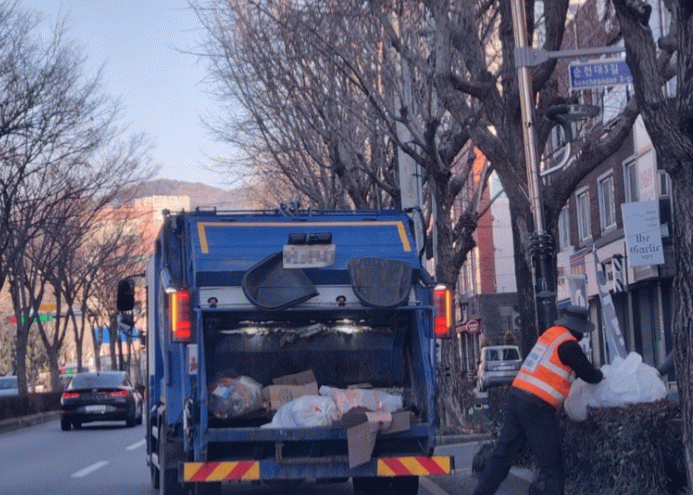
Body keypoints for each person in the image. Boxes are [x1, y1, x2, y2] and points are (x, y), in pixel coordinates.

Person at [472, 305, 604, 495]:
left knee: (503, 454)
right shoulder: (569, 344)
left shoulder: (550, 335)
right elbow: (589, 374)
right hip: (537, 406)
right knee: (552, 464)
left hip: (516, 397)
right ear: (578, 328)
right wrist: (603, 376)